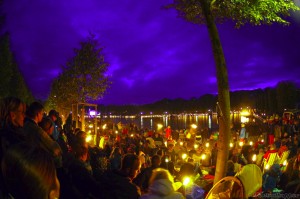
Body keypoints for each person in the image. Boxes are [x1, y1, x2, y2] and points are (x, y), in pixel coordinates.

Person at [23, 101, 62, 167]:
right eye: (42, 113)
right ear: (38, 114)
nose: (42, 116)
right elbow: (54, 148)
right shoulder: (36, 129)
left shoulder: (26, 124)